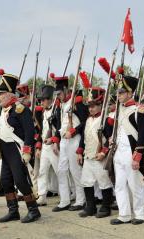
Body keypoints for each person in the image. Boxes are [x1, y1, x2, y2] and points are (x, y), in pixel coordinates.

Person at [0, 69, 40, 223]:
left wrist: (27, 151)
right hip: (6, 151)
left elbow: (29, 132)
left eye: (1, 94)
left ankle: (33, 210)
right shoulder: (4, 110)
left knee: (21, 182)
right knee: (6, 181)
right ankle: (13, 211)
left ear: (9, 94)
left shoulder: (21, 109)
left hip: (17, 150)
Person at [110, 75, 144, 225]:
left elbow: (143, 136)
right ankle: (124, 214)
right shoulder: (119, 111)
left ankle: (140, 214)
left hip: (131, 152)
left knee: (135, 185)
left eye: (121, 92)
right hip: (118, 151)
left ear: (130, 92)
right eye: (118, 92)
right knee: (119, 185)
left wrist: (138, 156)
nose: (118, 95)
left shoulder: (140, 110)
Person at [51, 73, 88, 212]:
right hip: (64, 142)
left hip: (74, 140)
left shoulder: (77, 103)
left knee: (75, 171)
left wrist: (73, 131)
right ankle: (64, 200)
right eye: (56, 94)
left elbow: (86, 123)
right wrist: (56, 140)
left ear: (66, 90)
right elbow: (60, 125)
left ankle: (80, 200)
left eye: (59, 93)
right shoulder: (61, 106)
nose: (58, 96)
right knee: (61, 171)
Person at [76, 87, 113, 218]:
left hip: (100, 157)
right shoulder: (88, 120)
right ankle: (90, 207)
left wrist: (103, 152)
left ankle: (106, 207)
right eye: (89, 106)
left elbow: (111, 139)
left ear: (100, 105)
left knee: (104, 182)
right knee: (86, 181)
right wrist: (79, 151)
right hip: (88, 156)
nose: (90, 108)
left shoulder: (106, 120)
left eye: (94, 105)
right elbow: (84, 138)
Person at [36, 85, 59, 206]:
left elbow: (60, 129)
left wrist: (55, 141)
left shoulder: (56, 111)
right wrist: (39, 147)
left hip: (54, 146)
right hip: (45, 147)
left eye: (43, 100)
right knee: (42, 171)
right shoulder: (42, 113)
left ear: (49, 99)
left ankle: (70, 194)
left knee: (59, 171)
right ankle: (42, 195)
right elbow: (40, 131)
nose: (41, 102)